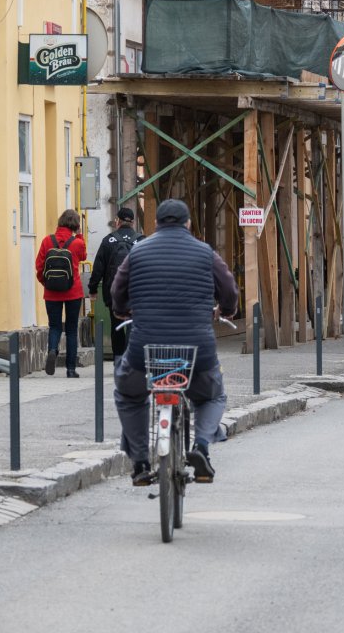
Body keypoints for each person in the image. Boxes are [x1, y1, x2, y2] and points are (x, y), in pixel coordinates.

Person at [110, 199, 238, 486]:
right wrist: (227, 311)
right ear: (188, 224)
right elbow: (228, 289)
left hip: (145, 351)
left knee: (129, 394)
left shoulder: (137, 252)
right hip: (197, 353)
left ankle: (141, 462)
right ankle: (202, 446)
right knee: (213, 395)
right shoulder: (206, 253)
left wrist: (122, 309)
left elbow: (118, 289)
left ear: (155, 223)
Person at [36, 209, 87, 377]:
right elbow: (83, 256)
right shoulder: (77, 243)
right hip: (73, 291)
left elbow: (39, 267)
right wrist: (79, 236)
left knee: (54, 326)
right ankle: (71, 369)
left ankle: (52, 350)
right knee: (72, 330)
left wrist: (47, 284)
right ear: (75, 225)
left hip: (51, 293)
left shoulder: (46, 241)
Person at [89, 207, 143, 358]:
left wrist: (93, 289)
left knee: (116, 325)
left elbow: (98, 268)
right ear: (133, 222)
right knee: (133, 325)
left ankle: (118, 358)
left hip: (114, 292)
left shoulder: (108, 240)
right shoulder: (141, 240)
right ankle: (130, 357)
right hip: (136, 293)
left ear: (118, 221)